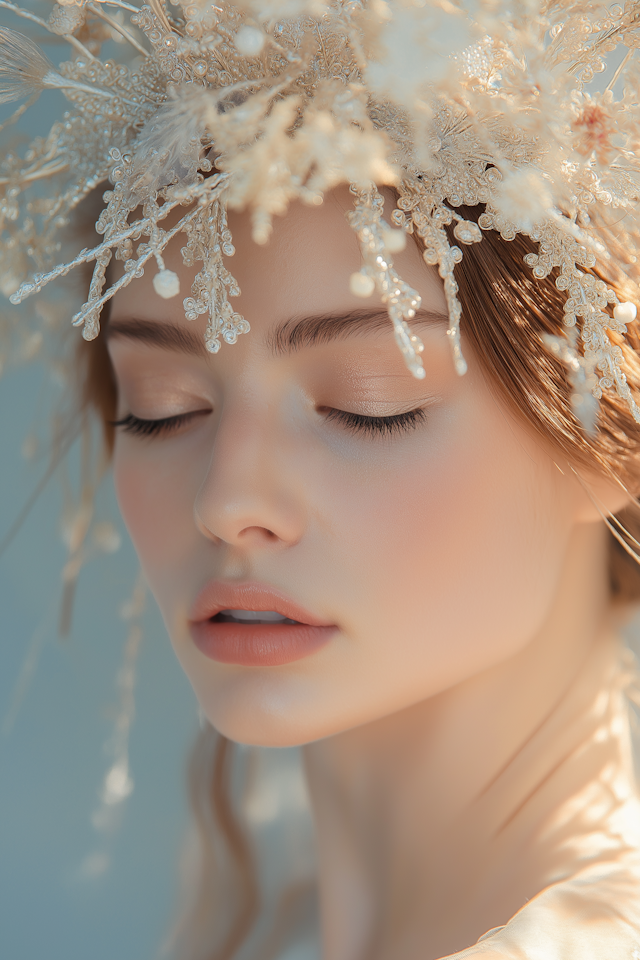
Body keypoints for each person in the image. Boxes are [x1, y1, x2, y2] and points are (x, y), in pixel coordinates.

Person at [4, 2, 640, 958]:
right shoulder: (275, 918)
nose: (227, 502)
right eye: (161, 405)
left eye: (367, 403)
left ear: (606, 430)